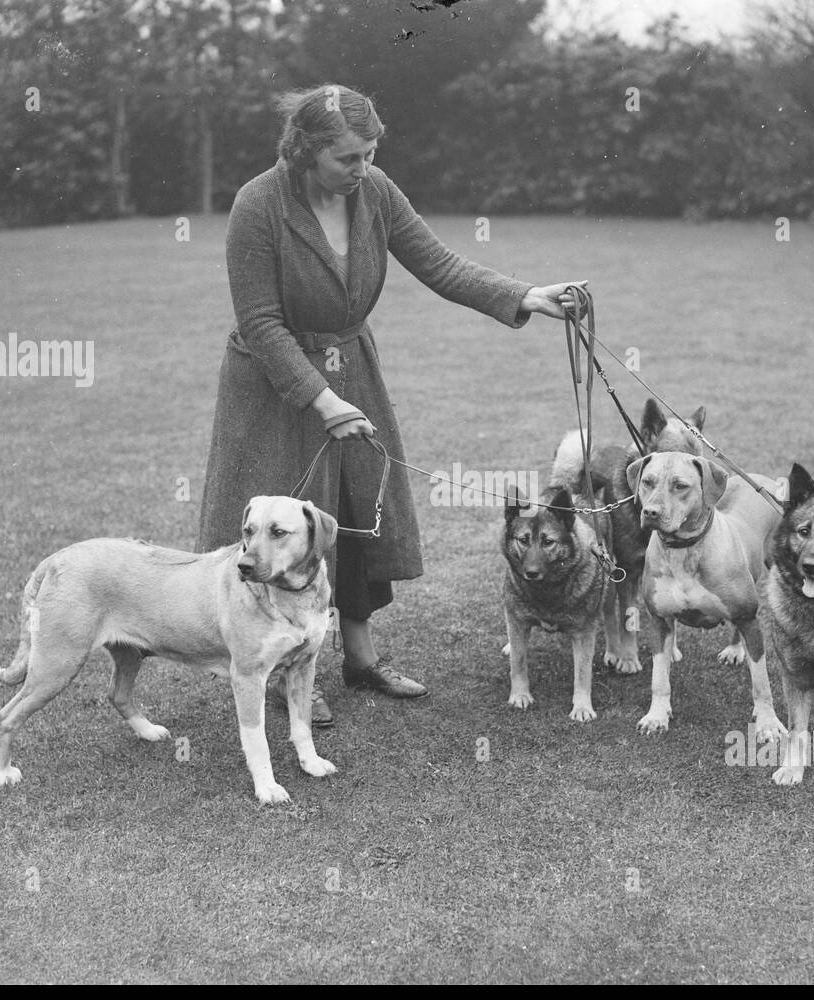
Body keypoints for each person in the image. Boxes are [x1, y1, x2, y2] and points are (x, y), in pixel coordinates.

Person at [197, 84, 584, 727]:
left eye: (370, 153)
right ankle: (281, 671)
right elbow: (262, 323)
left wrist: (525, 295)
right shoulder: (257, 204)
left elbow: (438, 262)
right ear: (305, 150)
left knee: (353, 512)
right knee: (280, 532)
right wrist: (320, 400)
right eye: (348, 158)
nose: (362, 168)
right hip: (275, 386)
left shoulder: (373, 190)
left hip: (352, 369)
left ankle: (360, 658)